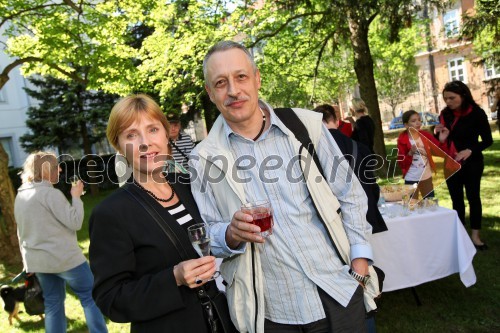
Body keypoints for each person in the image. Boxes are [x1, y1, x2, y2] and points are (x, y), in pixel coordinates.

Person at [191, 41, 374, 332]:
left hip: (338, 290)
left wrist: (360, 264)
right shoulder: (203, 158)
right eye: (221, 83)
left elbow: (349, 193)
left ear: (257, 79)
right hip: (270, 312)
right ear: (210, 93)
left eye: (241, 77)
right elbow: (207, 234)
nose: (234, 91)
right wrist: (230, 233)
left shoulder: (306, 126)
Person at [89, 94, 234, 332]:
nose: (145, 143)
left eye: (153, 129)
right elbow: (111, 299)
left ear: (167, 135)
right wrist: (174, 278)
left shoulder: (191, 186)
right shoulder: (112, 213)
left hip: (221, 321)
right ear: (119, 146)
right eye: (131, 135)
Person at [14, 152, 107, 333]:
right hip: (65, 259)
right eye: (57, 166)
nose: (61, 169)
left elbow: (21, 233)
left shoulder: (20, 196)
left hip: (38, 262)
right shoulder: (51, 194)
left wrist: (27, 263)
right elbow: (75, 222)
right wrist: (77, 197)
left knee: (53, 305)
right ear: (47, 170)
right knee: (90, 296)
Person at [313, 104, 387, 234]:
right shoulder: (361, 147)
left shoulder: (313, 152)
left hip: (336, 221)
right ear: (336, 121)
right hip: (366, 216)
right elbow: (372, 186)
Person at [437, 81, 493, 250]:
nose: (448, 102)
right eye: (446, 98)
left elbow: (488, 140)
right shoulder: (445, 114)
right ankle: (460, 235)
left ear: (463, 95)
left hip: (472, 163)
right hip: (450, 162)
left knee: (473, 197)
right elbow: (441, 141)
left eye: (452, 98)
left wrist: (470, 150)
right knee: (456, 200)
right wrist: (442, 137)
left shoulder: (477, 113)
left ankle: (475, 236)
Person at [396, 110, 450, 199]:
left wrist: (442, 140)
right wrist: (410, 153)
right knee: (412, 205)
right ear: (406, 125)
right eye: (413, 121)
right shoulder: (402, 140)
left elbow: (441, 152)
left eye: (419, 120)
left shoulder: (425, 135)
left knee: (429, 203)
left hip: (426, 176)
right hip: (411, 178)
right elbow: (401, 163)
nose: (417, 123)